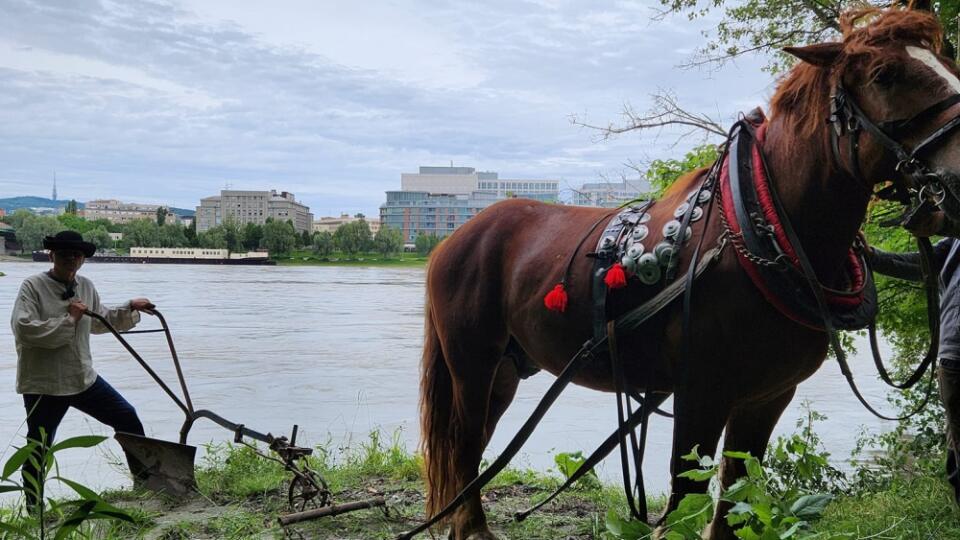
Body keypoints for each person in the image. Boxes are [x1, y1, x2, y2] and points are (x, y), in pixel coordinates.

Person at [10, 230, 155, 509]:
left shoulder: (85, 285)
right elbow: (25, 330)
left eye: (77, 254)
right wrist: (70, 319)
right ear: (52, 255)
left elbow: (101, 320)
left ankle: (145, 486)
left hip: (82, 378)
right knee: (38, 448)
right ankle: (33, 509)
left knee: (127, 418)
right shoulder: (32, 286)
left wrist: (130, 307)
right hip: (45, 384)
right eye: (64, 253)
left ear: (83, 259)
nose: (71, 259)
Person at [864, 209, 960, 505]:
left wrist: (942, 222)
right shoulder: (954, 242)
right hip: (953, 357)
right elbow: (923, 265)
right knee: (956, 464)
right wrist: (870, 256)